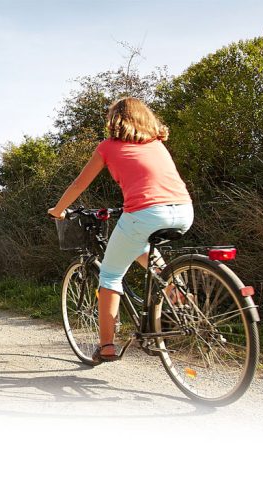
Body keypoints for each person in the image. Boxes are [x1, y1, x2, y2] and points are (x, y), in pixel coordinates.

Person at [47, 97, 193, 363]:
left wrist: (58, 210)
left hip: (146, 214)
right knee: (141, 248)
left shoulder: (108, 147)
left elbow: (80, 184)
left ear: (115, 120)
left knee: (111, 276)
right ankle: (176, 289)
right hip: (184, 211)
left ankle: (106, 347)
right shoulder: (158, 144)